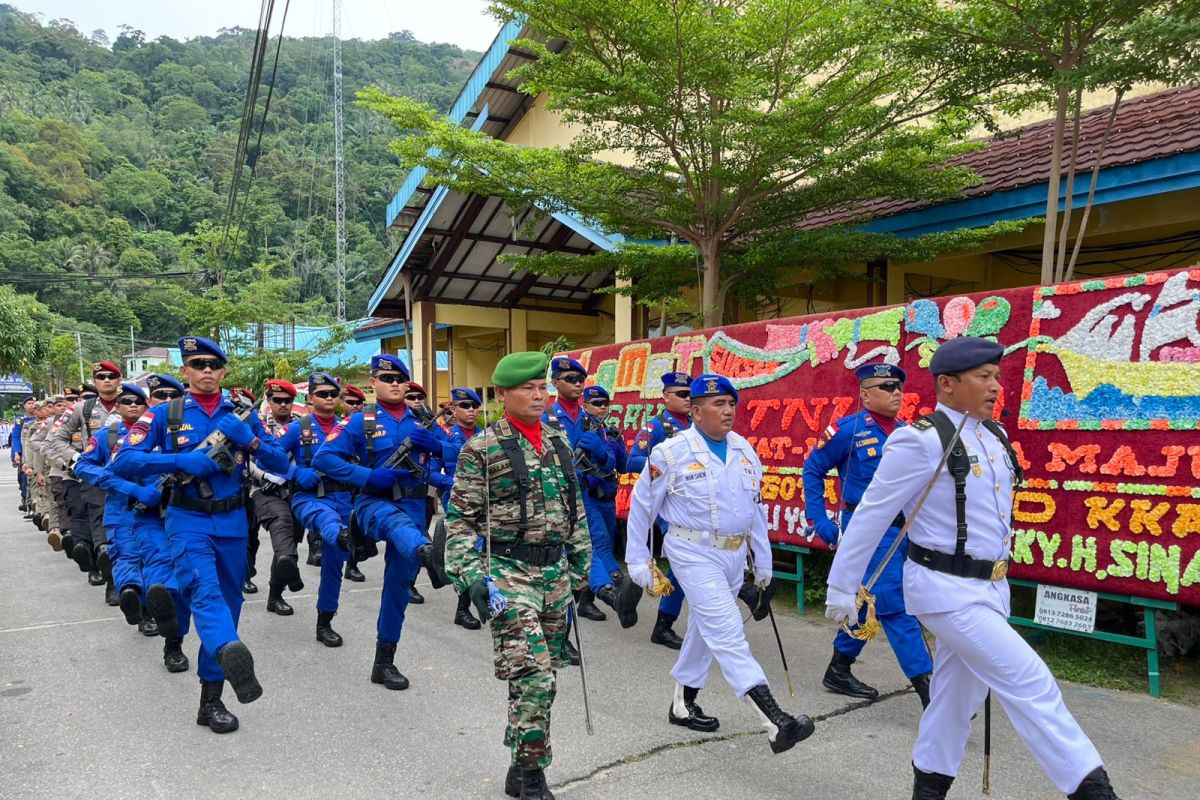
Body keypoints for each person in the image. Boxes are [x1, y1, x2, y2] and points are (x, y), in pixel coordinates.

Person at [825, 337, 1120, 800]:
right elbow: (872, 513)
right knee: (1030, 681)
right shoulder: (919, 439)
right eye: (982, 377)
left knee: (953, 702)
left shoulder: (994, 436)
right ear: (946, 384)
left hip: (990, 589)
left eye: (996, 377)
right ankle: (1094, 792)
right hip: (945, 590)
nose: (994, 387)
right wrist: (841, 587)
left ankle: (928, 791)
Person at [626, 373, 815, 754]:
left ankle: (682, 705)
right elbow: (641, 508)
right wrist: (638, 561)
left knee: (704, 629)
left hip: (732, 554)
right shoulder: (671, 452)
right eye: (718, 404)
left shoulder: (744, 449)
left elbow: (755, 510)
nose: (727, 411)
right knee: (727, 629)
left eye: (731, 404)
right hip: (691, 550)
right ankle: (776, 722)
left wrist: (763, 563)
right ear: (695, 411)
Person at [113, 336, 290, 733]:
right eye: (197, 364)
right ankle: (229, 649)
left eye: (213, 364)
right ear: (185, 371)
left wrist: (253, 441)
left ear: (224, 370)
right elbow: (124, 460)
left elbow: (282, 463)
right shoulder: (165, 413)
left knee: (229, 603)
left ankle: (210, 702)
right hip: (186, 518)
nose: (206, 371)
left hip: (232, 521)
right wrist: (180, 459)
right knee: (206, 592)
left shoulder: (243, 415)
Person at [444, 351, 591, 800]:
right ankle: (531, 775)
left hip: (554, 575)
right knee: (534, 676)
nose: (538, 395)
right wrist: (471, 578)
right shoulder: (482, 449)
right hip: (508, 574)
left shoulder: (558, 442)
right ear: (503, 394)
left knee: (540, 676)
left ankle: (518, 762)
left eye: (541, 387)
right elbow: (459, 523)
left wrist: (583, 569)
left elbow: (575, 511)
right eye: (527, 388)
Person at [802, 362, 933, 706]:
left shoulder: (907, 433)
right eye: (886, 388)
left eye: (898, 388)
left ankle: (838, 669)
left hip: (904, 532)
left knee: (868, 597)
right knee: (894, 605)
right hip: (866, 531)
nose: (895, 394)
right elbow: (813, 469)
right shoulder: (848, 430)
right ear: (865, 394)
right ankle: (930, 689)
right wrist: (818, 520)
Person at [312, 354, 445, 692]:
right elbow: (323, 458)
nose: (396, 384)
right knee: (392, 522)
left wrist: (441, 447)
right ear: (374, 383)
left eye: (401, 378)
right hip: (374, 503)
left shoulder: (422, 421)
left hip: (414, 505)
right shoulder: (361, 420)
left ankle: (383, 662)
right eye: (387, 379)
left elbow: (465, 452)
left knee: (398, 588)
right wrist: (368, 476)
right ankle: (429, 554)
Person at [74, 383, 160, 635]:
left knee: (152, 558)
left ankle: (147, 602)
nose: (133, 405)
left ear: (146, 406)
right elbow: (83, 465)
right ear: (119, 406)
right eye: (127, 401)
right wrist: (109, 479)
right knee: (125, 555)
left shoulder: (160, 432)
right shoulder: (107, 435)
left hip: (155, 508)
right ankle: (134, 601)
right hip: (120, 507)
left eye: (138, 401)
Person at [275, 372, 353, 647]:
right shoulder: (298, 428)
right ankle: (344, 535)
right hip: (310, 498)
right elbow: (269, 457)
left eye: (333, 394)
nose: (329, 398)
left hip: (343, 499)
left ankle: (325, 621)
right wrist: (294, 473)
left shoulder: (350, 427)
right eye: (322, 394)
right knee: (328, 523)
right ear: (310, 398)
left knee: (334, 566)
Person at [542, 358, 613, 633]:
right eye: (570, 378)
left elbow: (608, 466)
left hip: (582, 500)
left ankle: (598, 597)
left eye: (581, 379)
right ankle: (562, 634)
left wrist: (600, 451)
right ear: (556, 382)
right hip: (551, 501)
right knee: (558, 569)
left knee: (582, 556)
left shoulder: (591, 422)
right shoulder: (544, 417)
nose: (577, 384)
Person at [623, 371, 693, 649]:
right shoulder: (656, 427)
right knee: (683, 561)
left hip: (692, 505)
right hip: (668, 505)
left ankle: (665, 624)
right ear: (666, 397)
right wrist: (665, 469)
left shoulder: (696, 425)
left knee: (685, 564)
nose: (688, 399)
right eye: (682, 394)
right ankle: (663, 624)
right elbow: (633, 460)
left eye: (691, 394)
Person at [44, 363, 124, 589]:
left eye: (111, 376)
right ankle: (106, 577)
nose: (106, 380)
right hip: (94, 477)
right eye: (101, 377)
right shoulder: (81, 408)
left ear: (119, 380)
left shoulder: (132, 403)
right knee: (100, 521)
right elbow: (54, 439)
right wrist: (77, 460)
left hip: (125, 476)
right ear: (95, 381)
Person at [245, 378, 306, 616]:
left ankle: (275, 595)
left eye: (287, 400)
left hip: (295, 490)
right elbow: (247, 460)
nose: (282, 404)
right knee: (280, 526)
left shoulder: (303, 425)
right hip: (262, 488)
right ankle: (250, 575)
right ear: (268, 401)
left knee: (289, 542)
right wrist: (267, 477)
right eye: (277, 400)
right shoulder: (257, 425)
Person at [575, 385, 634, 625]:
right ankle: (617, 588)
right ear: (585, 405)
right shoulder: (580, 428)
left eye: (605, 403)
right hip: (588, 497)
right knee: (599, 547)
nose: (602, 408)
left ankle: (586, 601)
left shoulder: (609, 432)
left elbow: (625, 464)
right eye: (597, 403)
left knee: (605, 544)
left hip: (608, 499)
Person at [439, 386, 484, 629]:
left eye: (474, 406)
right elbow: (430, 473)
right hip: (457, 502)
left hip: (485, 502)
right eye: (465, 406)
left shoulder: (486, 436)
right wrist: (456, 484)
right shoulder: (446, 437)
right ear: (454, 409)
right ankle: (462, 608)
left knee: (484, 552)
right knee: (466, 551)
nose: (471, 410)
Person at [340, 384, 367, 584]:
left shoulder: (366, 425)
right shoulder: (339, 427)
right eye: (351, 402)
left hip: (358, 483)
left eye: (359, 403)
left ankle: (352, 564)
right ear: (342, 403)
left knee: (356, 524)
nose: (356, 406)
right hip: (339, 483)